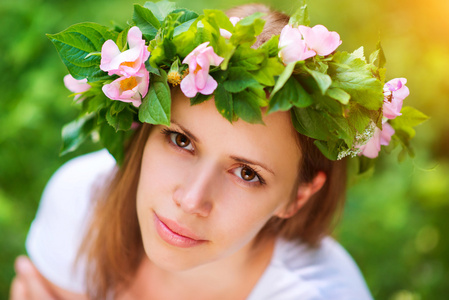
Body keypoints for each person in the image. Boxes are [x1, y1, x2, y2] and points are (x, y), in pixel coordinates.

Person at [10, 1, 422, 299]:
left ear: (298, 196)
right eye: (181, 140)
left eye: (247, 174)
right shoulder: (82, 200)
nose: (191, 200)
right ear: (144, 127)